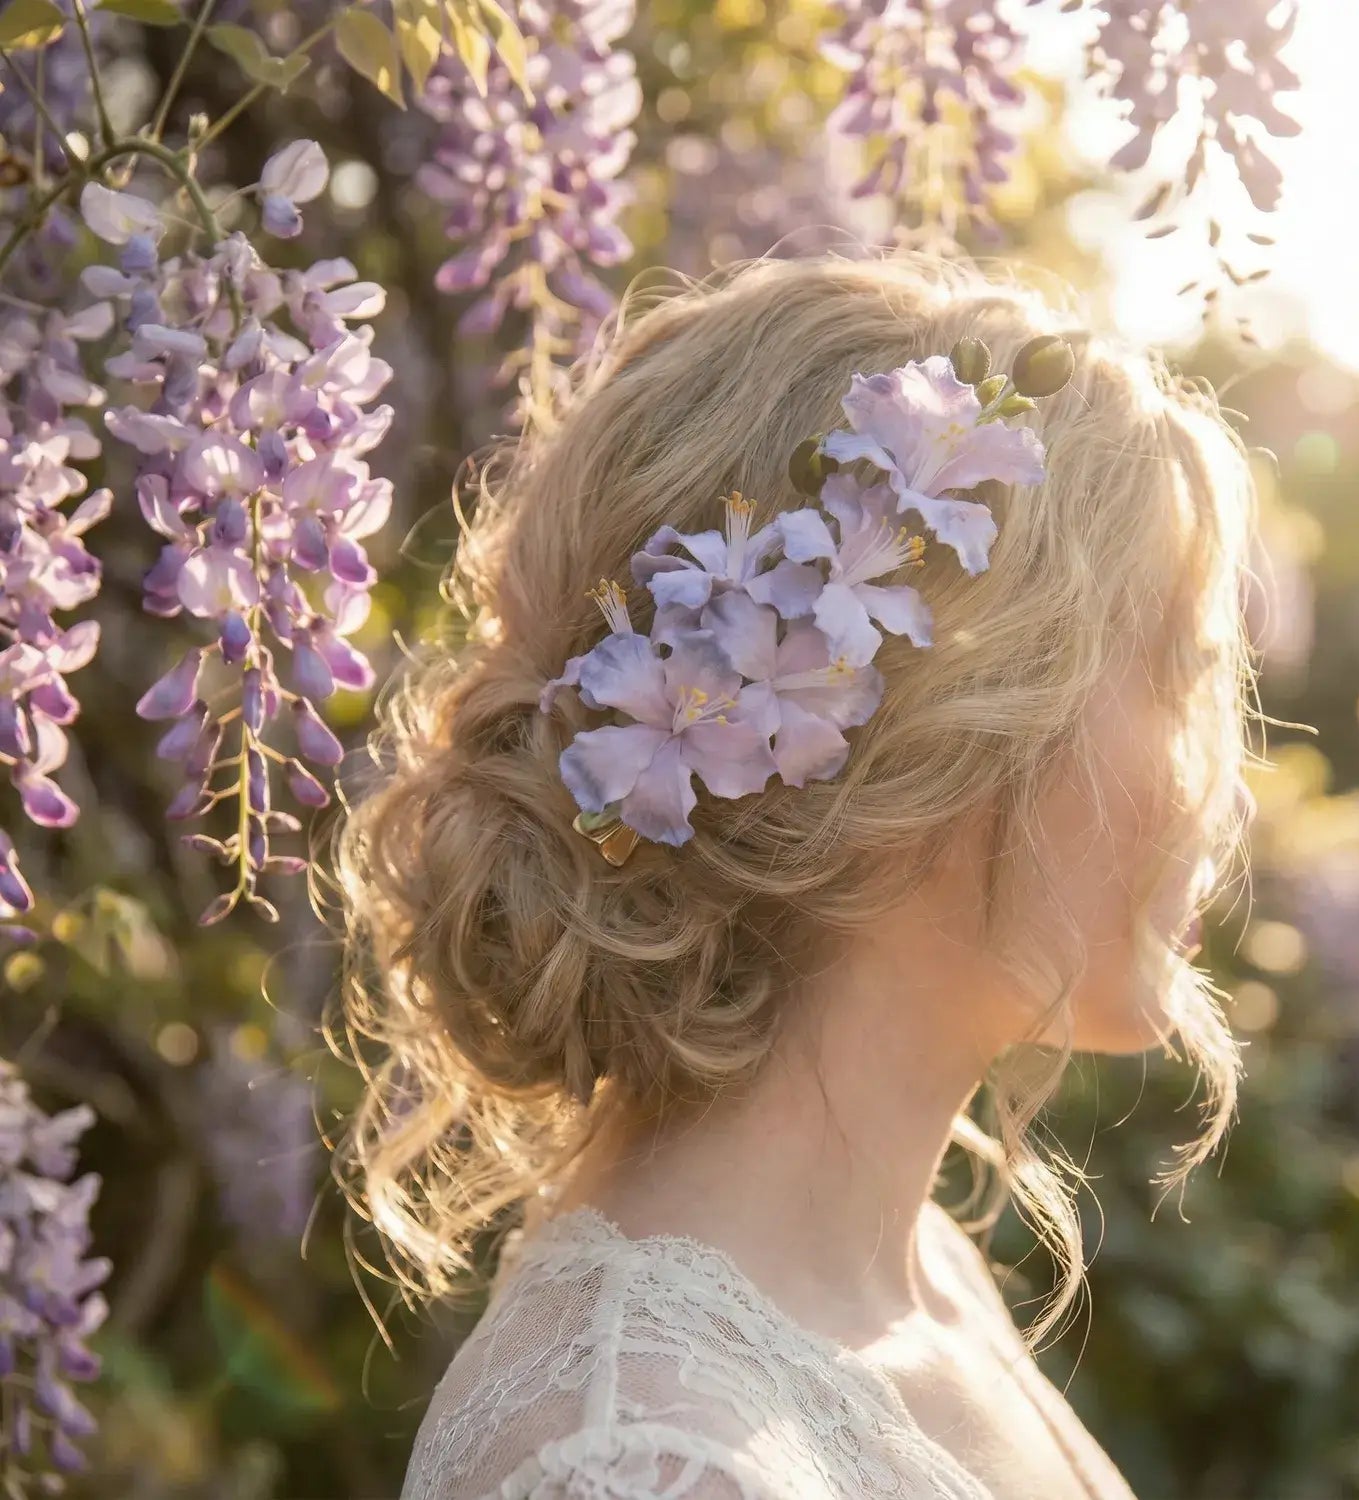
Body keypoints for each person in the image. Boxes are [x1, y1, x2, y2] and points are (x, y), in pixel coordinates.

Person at [334, 253, 1256, 1499]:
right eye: (1177, 675)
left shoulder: (917, 1277)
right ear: (925, 724)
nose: (1227, 787)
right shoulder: (650, 1459)